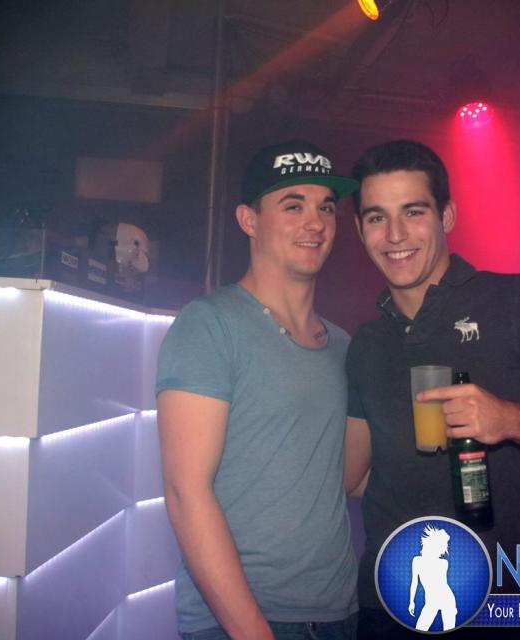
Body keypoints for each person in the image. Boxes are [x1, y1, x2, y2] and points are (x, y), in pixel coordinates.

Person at [343, 139, 520, 638]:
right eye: (376, 217)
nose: (395, 234)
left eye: (413, 211)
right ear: (360, 229)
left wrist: (510, 420)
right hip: (389, 608)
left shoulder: (516, 302)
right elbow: (355, 475)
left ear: (447, 216)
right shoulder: (365, 343)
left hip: (507, 608)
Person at [156, 140, 360, 640]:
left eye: (325, 207)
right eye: (293, 205)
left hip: (339, 612)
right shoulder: (210, 325)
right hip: (241, 620)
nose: (315, 222)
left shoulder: (343, 344)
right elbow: (186, 492)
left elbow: (345, 479)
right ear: (249, 220)